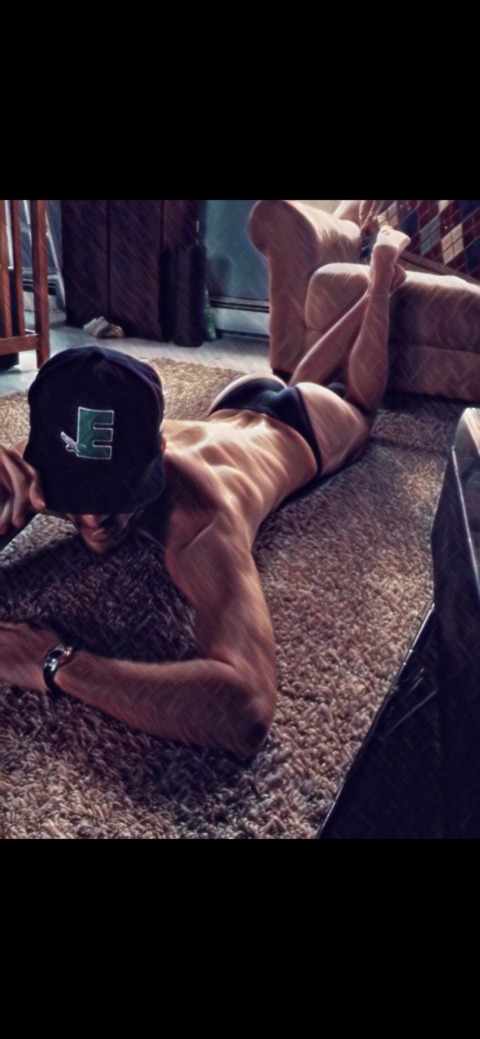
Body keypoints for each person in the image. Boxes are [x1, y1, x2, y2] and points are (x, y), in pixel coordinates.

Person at [0, 224, 410, 758]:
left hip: (302, 429)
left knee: (358, 404)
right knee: (296, 378)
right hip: (231, 403)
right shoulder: (40, 465)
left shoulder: (204, 521)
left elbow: (245, 709)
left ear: (158, 457)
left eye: (120, 492)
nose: (96, 518)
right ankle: (369, 293)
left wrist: (56, 663)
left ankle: (381, 278)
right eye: (79, 492)